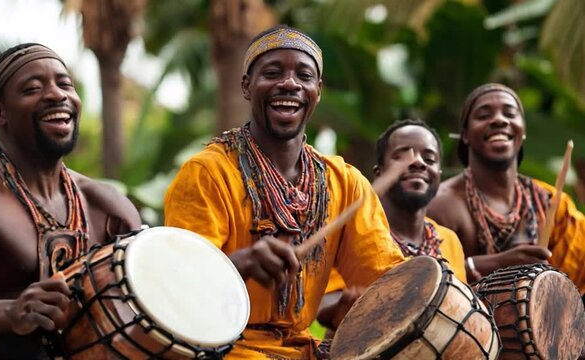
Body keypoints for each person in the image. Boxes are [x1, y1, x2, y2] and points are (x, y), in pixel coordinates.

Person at [164, 25, 405, 359]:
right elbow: (178, 284)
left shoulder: (345, 182)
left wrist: (410, 287)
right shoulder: (208, 173)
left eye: (304, 75)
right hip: (218, 349)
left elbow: (385, 274)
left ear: (317, 91)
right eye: (272, 72)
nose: (290, 83)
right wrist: (241, 262)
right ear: (247, 86)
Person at [0, 43, 142, 359]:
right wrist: (10, 313)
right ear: (0, 113)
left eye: (65, 84)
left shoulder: (105, 205)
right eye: (33, 89)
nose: (56, 94)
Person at [428, 83, 585, 290]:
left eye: (510, 114)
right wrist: (495, 264)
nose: (500, 120)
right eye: (484, 115)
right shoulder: (442, 204)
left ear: (523, 131)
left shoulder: (550, 203)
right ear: (465, 135)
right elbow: (423, 283)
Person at [317, 119, 467, 333]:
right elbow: (321, 304)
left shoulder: (449, 240)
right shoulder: (354, 230)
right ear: (380, 174)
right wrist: (347, 307)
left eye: (429, 158)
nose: (418, 162)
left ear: (438, 175)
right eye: (402, 156)